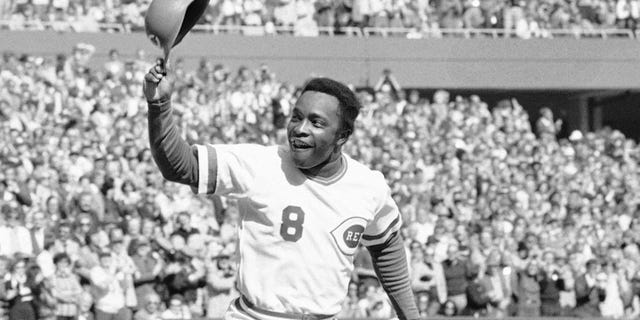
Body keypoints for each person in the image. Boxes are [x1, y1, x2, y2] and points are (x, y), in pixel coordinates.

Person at [143, 60, 419, 319]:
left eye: (316, 122)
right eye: (296, 117)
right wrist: (159, 104)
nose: (300, 128)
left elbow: (386, 247)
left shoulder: (368, 185)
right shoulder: (261, 163)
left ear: (342, 137)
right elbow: (179, 166)